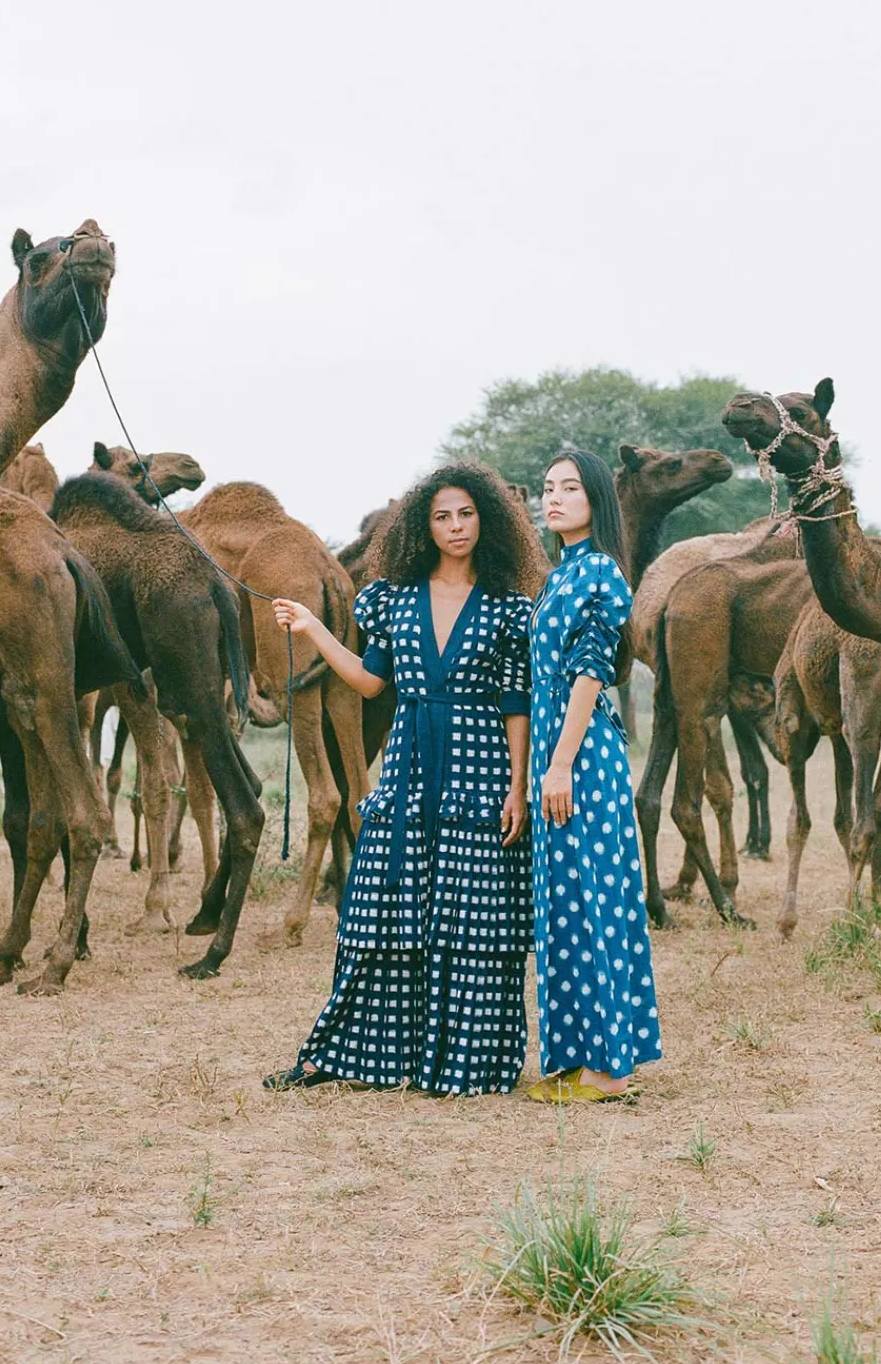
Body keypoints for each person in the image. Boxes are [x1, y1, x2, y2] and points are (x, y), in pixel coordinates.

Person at [263, 462, 545, 1097]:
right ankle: (360, 1054)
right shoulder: (388, 598)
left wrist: (518, 786)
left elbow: (515, 705)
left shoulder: (510, 610)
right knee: (382, 910)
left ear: (488, 520)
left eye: (466, 514)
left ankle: (465, 1065)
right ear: (423, 526)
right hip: (410, 766)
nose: (455, 527)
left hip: (480, 772)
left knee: (475, 921)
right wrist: (312, 629)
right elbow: (369, 681)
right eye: (442, 516)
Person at [526, 449, 661, 1103]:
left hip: (578, 757)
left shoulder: (601, 573)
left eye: (570, 488)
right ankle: (588, 1059)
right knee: (569, 906)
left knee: (595, 902)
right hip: (556, 751)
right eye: (549, 489)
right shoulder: (562, 573)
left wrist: (557, 764)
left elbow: (589, 670)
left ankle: (609, 1071)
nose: (554, 498)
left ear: (597, 499)